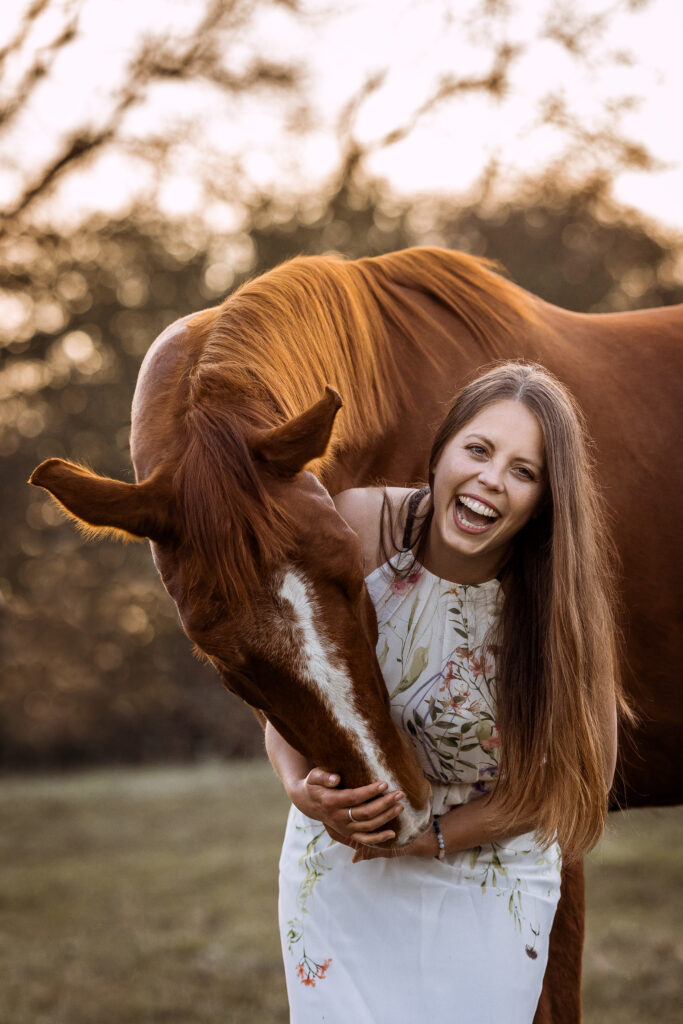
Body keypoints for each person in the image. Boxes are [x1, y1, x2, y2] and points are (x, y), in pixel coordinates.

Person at [266, 361, 624, 1023]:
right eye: (479, 449)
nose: (491, 479)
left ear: (545, 499)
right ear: (440, 452)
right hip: (344, 867)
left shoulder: (560, 605)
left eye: (524, 471)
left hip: (489, 869)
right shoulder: (357, 525)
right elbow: (293, 681)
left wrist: (428, 837)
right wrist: (298, 786)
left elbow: (579, 780)